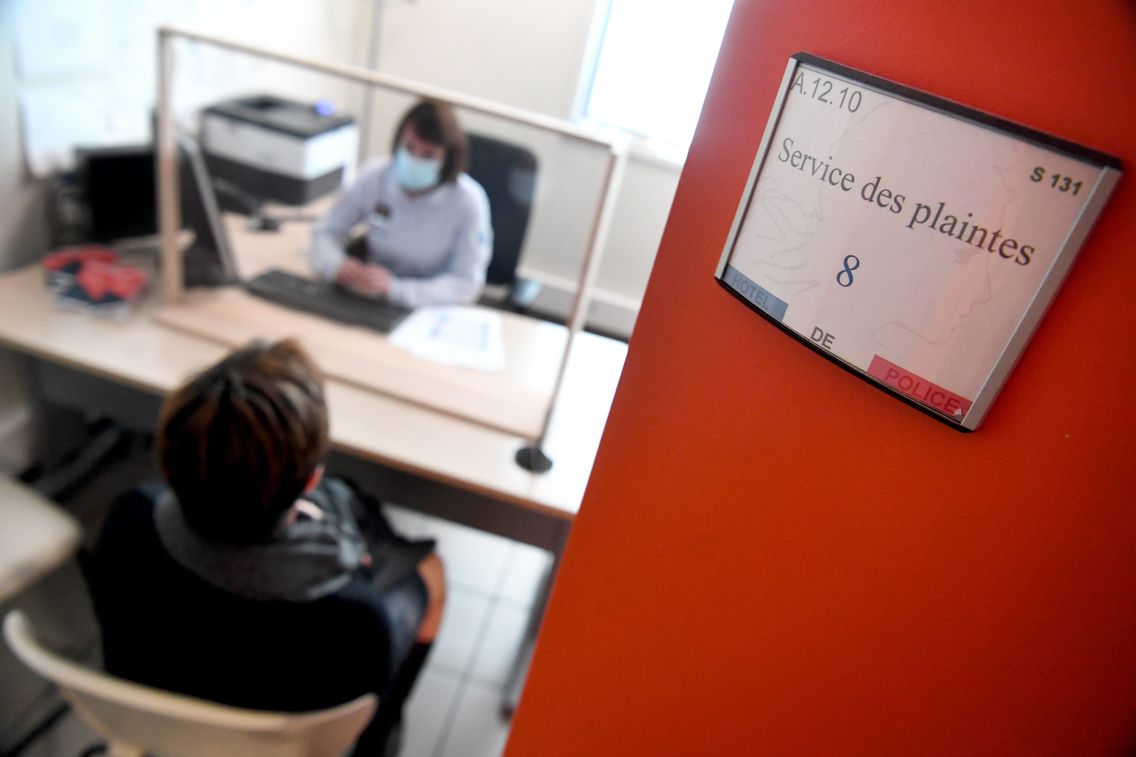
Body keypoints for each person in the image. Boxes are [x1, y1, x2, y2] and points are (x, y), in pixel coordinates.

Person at [87, 339, 445, 755]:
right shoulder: (355, 618)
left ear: (169, 455)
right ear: (312, 482)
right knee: (432, 575)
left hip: (156, 725)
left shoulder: (129, 521)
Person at [309, 99, 493, 307]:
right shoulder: (375, 176)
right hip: (367, 297)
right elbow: (325, 231)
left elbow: (466, 284)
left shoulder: (469, 201)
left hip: (427, 307)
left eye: (428, 155)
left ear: (447, 159)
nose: (415, 159)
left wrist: (396, 289)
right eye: (409, 147)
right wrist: (335, 264)